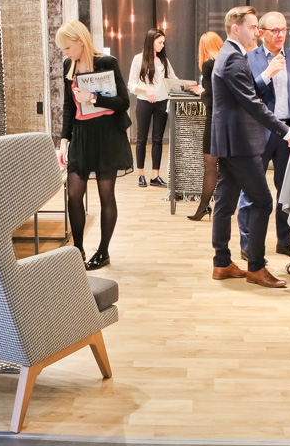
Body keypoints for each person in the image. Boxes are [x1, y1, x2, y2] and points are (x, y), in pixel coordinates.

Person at [210, 6, 290, 289]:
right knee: (263, 201)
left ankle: (222, 262)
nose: (257, 32)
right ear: (236, 28)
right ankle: (255, 267)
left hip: (231, 141)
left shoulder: (230, 54)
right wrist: (287, 131)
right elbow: (253, 103)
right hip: (240, 142)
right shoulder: (233, 58)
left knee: (225, 202)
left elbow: (248, 96)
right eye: (253, 27)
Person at [236, 11, 290, 260]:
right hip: (258, 132)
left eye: (284, 29)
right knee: (251, 189)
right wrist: (266, 74)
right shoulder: (249, 59)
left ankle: (284, 240)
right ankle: (248, 243)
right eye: (276, 30)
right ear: (261, 33)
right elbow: (246, 96)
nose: (281, 35)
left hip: (289, 133)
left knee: (287, 189)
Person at [56, 20, 132, 271]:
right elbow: (69, 106)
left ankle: (103, 252)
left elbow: (123, 102)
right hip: (81, 135)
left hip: (107, 135)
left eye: (68, 47)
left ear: (80, 41)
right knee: (73, 193)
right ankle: (77, 249)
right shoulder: (69, 65)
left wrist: (93, 97)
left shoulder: (106, 63)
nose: (65, 53)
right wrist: (64, 140)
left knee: (105, 194)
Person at [127, 29, 201, 188]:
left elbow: (173, 80)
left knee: (158, 139)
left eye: (163, 43)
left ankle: (155, 176)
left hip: (162, 102)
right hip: (144, 102)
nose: (162, 45)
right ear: (151, 42)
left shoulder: (163, 61)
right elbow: (131, 84)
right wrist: (146, 90)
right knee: (141, 139)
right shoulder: (138, 59)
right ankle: (141, 174)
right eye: (160, 42)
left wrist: (188, 86)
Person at [188, 31, 223, 222]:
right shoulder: (226, 62)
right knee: (226, 165)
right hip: (227, 120)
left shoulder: (208, 65)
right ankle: (221, 206)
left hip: (214, 119)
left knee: (210, 164)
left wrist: (200, 92)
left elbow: (211, 98)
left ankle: (203, 206)